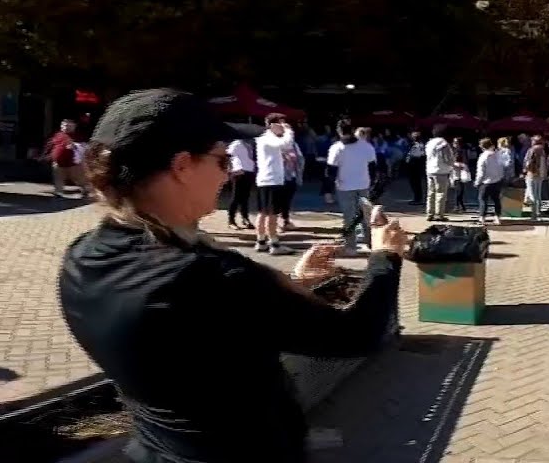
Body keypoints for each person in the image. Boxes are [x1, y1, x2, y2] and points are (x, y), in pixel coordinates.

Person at [57, 88, 408, 463]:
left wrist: (290, 285)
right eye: (222, 161)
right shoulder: (212, 279)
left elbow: (205, 331)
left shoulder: (83, 257)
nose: (230, 174)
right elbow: (356, 335)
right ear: (182, 166)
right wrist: (385, 257)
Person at [324, 121, 376, 252]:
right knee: (365, 215)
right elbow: (373, 167)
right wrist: (373, 182)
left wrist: (328, 190)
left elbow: (331, 171)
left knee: (349, 217)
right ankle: (371, 243)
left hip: (345, 186)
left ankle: (351, 246)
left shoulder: (336, 148)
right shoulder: (366, 146)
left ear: (338, 132)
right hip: (363, 185)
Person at [254, 113, 297, 255]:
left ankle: (261, 242)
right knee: (272, 214)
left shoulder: (265, 139)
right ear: (272, 125)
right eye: (281, 124)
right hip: (271, 180)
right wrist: (289, 131)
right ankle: (274, 244)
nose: (283, 128)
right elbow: (286, 144)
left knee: (263, 213)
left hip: (265, 179)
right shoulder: (268, 138)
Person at [225, 135, 256, 230]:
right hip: (239, 172)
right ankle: (231, 220)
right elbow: (227, 156)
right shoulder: (236, 143)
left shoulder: (250, 144)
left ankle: (245, 218)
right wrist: (231, 169)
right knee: (236, 197)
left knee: (245, 197)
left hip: (249, 171)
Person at [425, 124, 455, 221]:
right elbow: (447, 159)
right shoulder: (444, 144)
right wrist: (452, 164)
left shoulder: (429, 143)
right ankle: (439, 214)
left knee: (431, 193)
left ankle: (430, 213)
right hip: (441, 170)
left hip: (430, 170)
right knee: (441, 193)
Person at [474, 137, 505, 225]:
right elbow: (501, 167)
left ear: (482, 147)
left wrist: (477, 182)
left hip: (486, 182)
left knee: (483, 200)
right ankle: (498, 218)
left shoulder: (483, 156)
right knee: (496, 200)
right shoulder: (498, 154)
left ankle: (482, 218)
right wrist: (500, 177)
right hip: (497, 181)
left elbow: (480, 172)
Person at [522, 135, 546, 222]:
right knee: (538, 195)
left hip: (531, 174)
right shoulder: (543, 150)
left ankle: (534, 215)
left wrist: (524, 171)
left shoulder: (531, 150)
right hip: (541, 175)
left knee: (532, 195)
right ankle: (539, 213)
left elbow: (527, 162)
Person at [404, 131, 425, 205]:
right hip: (414, 164)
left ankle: (418, 199)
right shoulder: (415, 145)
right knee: (414, 183)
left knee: (416, 183)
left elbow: (419, 155)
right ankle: (417, 198)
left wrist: (410, 158)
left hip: (415, 164)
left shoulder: (418, 145)